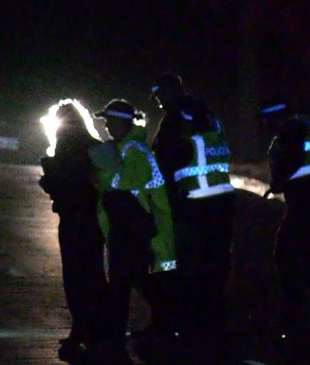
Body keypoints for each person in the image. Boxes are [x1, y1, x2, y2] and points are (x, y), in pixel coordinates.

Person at [149, 72, 236, 351]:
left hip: (192, 202)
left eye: (160, 97)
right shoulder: (208, 114)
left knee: (189, 267)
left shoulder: (175, 117)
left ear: (169, 92)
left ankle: (189, 330)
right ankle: (214, 326)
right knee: (216, 265)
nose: (159, 103)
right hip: (221, 199)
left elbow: (163, 158)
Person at [89, 99, 179, 364]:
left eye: (109, 121)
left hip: (133, 229)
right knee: (133, 282)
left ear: (121, 122)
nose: (105, 126)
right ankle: (163, 324)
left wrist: (99, 176)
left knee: (126, 283)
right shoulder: (125, 148)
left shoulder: (134, 150)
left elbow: (122, 183)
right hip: (127, 228)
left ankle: (135, 333)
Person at [255, 100, 310, 361]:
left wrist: (279, 183)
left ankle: (301, 315)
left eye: (264, 120)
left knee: (287, 256)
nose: (263, 127)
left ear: (275, 118)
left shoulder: (290, 129)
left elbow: (291, 161)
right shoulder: (304, 125)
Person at [38, 101, 109, 363]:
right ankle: (98, 329)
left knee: (75, 277)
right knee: (93, 274)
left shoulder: (65, 149)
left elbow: (63, 184)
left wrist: (49, 180)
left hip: (72, 218)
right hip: (92, 218)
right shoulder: (94, 146)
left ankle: (81, 328)